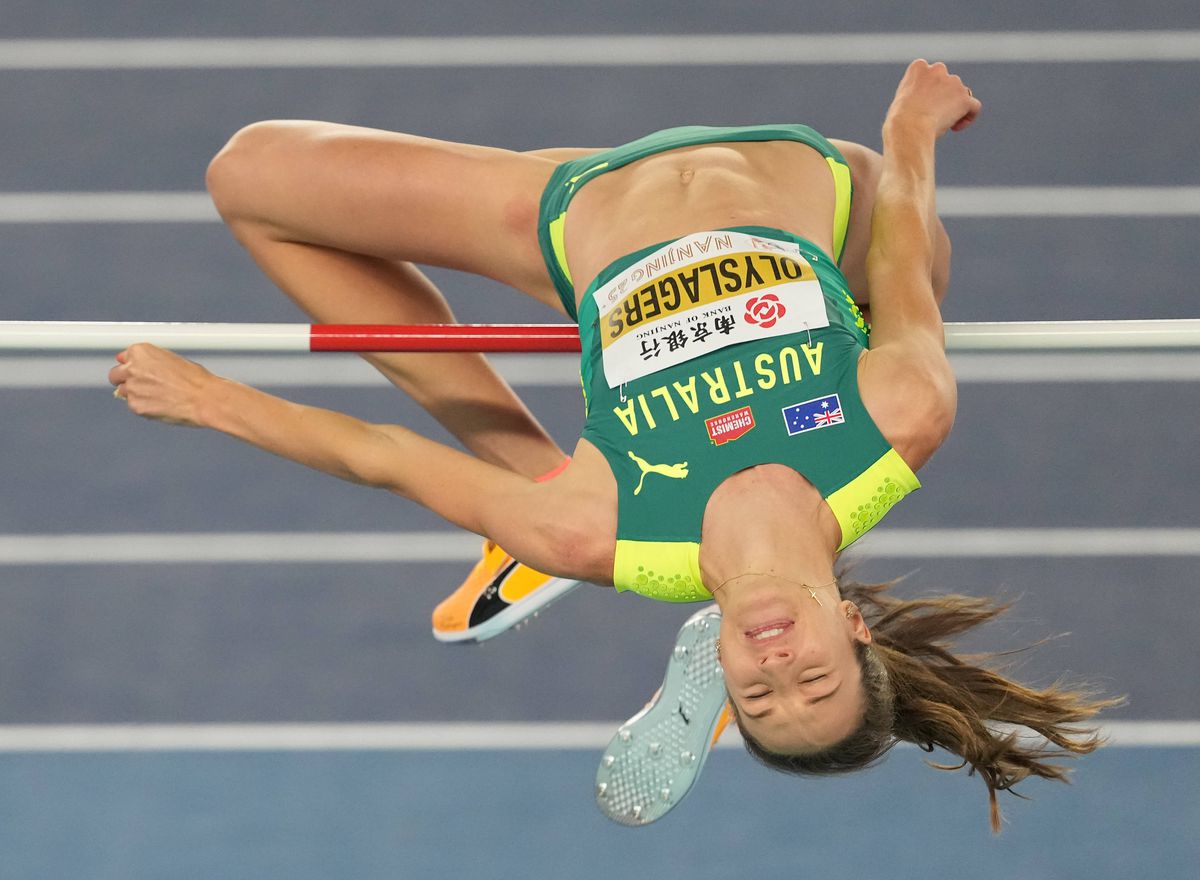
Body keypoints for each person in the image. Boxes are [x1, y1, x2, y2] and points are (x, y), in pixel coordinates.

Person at [109, 61, 1116, 830]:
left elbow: (382, 456)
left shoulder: (600, 529)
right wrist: (909, 130)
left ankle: (520, 488)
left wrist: (206, 398)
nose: (776, 664)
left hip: (583, 212)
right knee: (923, 260)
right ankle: (527, 483)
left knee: (248, 175)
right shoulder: (897, 421)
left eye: (757, 692)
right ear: (853, 626)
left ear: (726, 667)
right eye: (812, 677)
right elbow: (897, 244)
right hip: (822, 193)